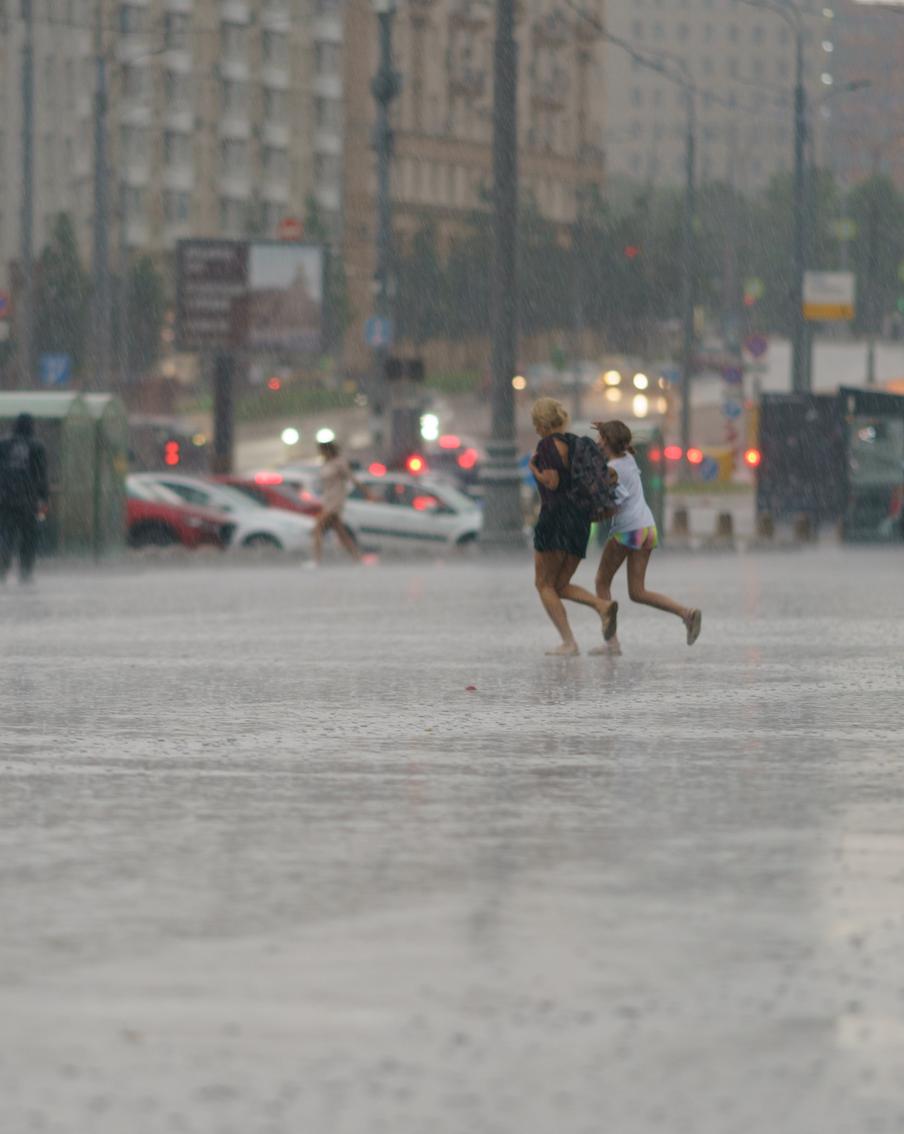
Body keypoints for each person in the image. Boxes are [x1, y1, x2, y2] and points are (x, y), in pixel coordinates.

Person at [590, 420, 701, 654]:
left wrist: (591, 514)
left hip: (628, 529)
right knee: (638, 592)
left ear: (609, 441)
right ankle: (686, 613)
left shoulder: (614, 469)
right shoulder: (628, 459)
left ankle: (612, 643)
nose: (598, 443)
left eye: (601, 439)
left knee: (601, 581)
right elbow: (621, 450)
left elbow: (613, 504)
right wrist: (607, 428)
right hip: (647, 528)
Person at [529, 397, 618, 656]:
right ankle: (602, 606)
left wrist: (533, 470)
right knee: (560, 585)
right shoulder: (575, 442)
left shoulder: (547, 445)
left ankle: (569, 642)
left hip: (555, 520)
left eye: (536, 423)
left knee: (543, 584)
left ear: (542, 423)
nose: (535, 429)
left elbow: (552, 482)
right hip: (579, 522)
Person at [0, 413, 49, 584]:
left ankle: (1, 570)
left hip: (5, 498)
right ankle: (25, 572)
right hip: (29, 500)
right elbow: (41, 475)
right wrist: (44, 499)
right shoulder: (37, 447)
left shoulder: (3, 444)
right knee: (29, 537)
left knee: (5, 534)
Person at [311, 439, 361, 565]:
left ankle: (317, 560)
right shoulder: (326, 464)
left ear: (328, 450)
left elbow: (352, 479)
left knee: (318, 528)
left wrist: (369, 493)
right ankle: (357, 558)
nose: (321, 453)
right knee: (341, 534)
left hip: (336, 501)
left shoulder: (339, 463)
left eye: (322, 451)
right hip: (327, 501)